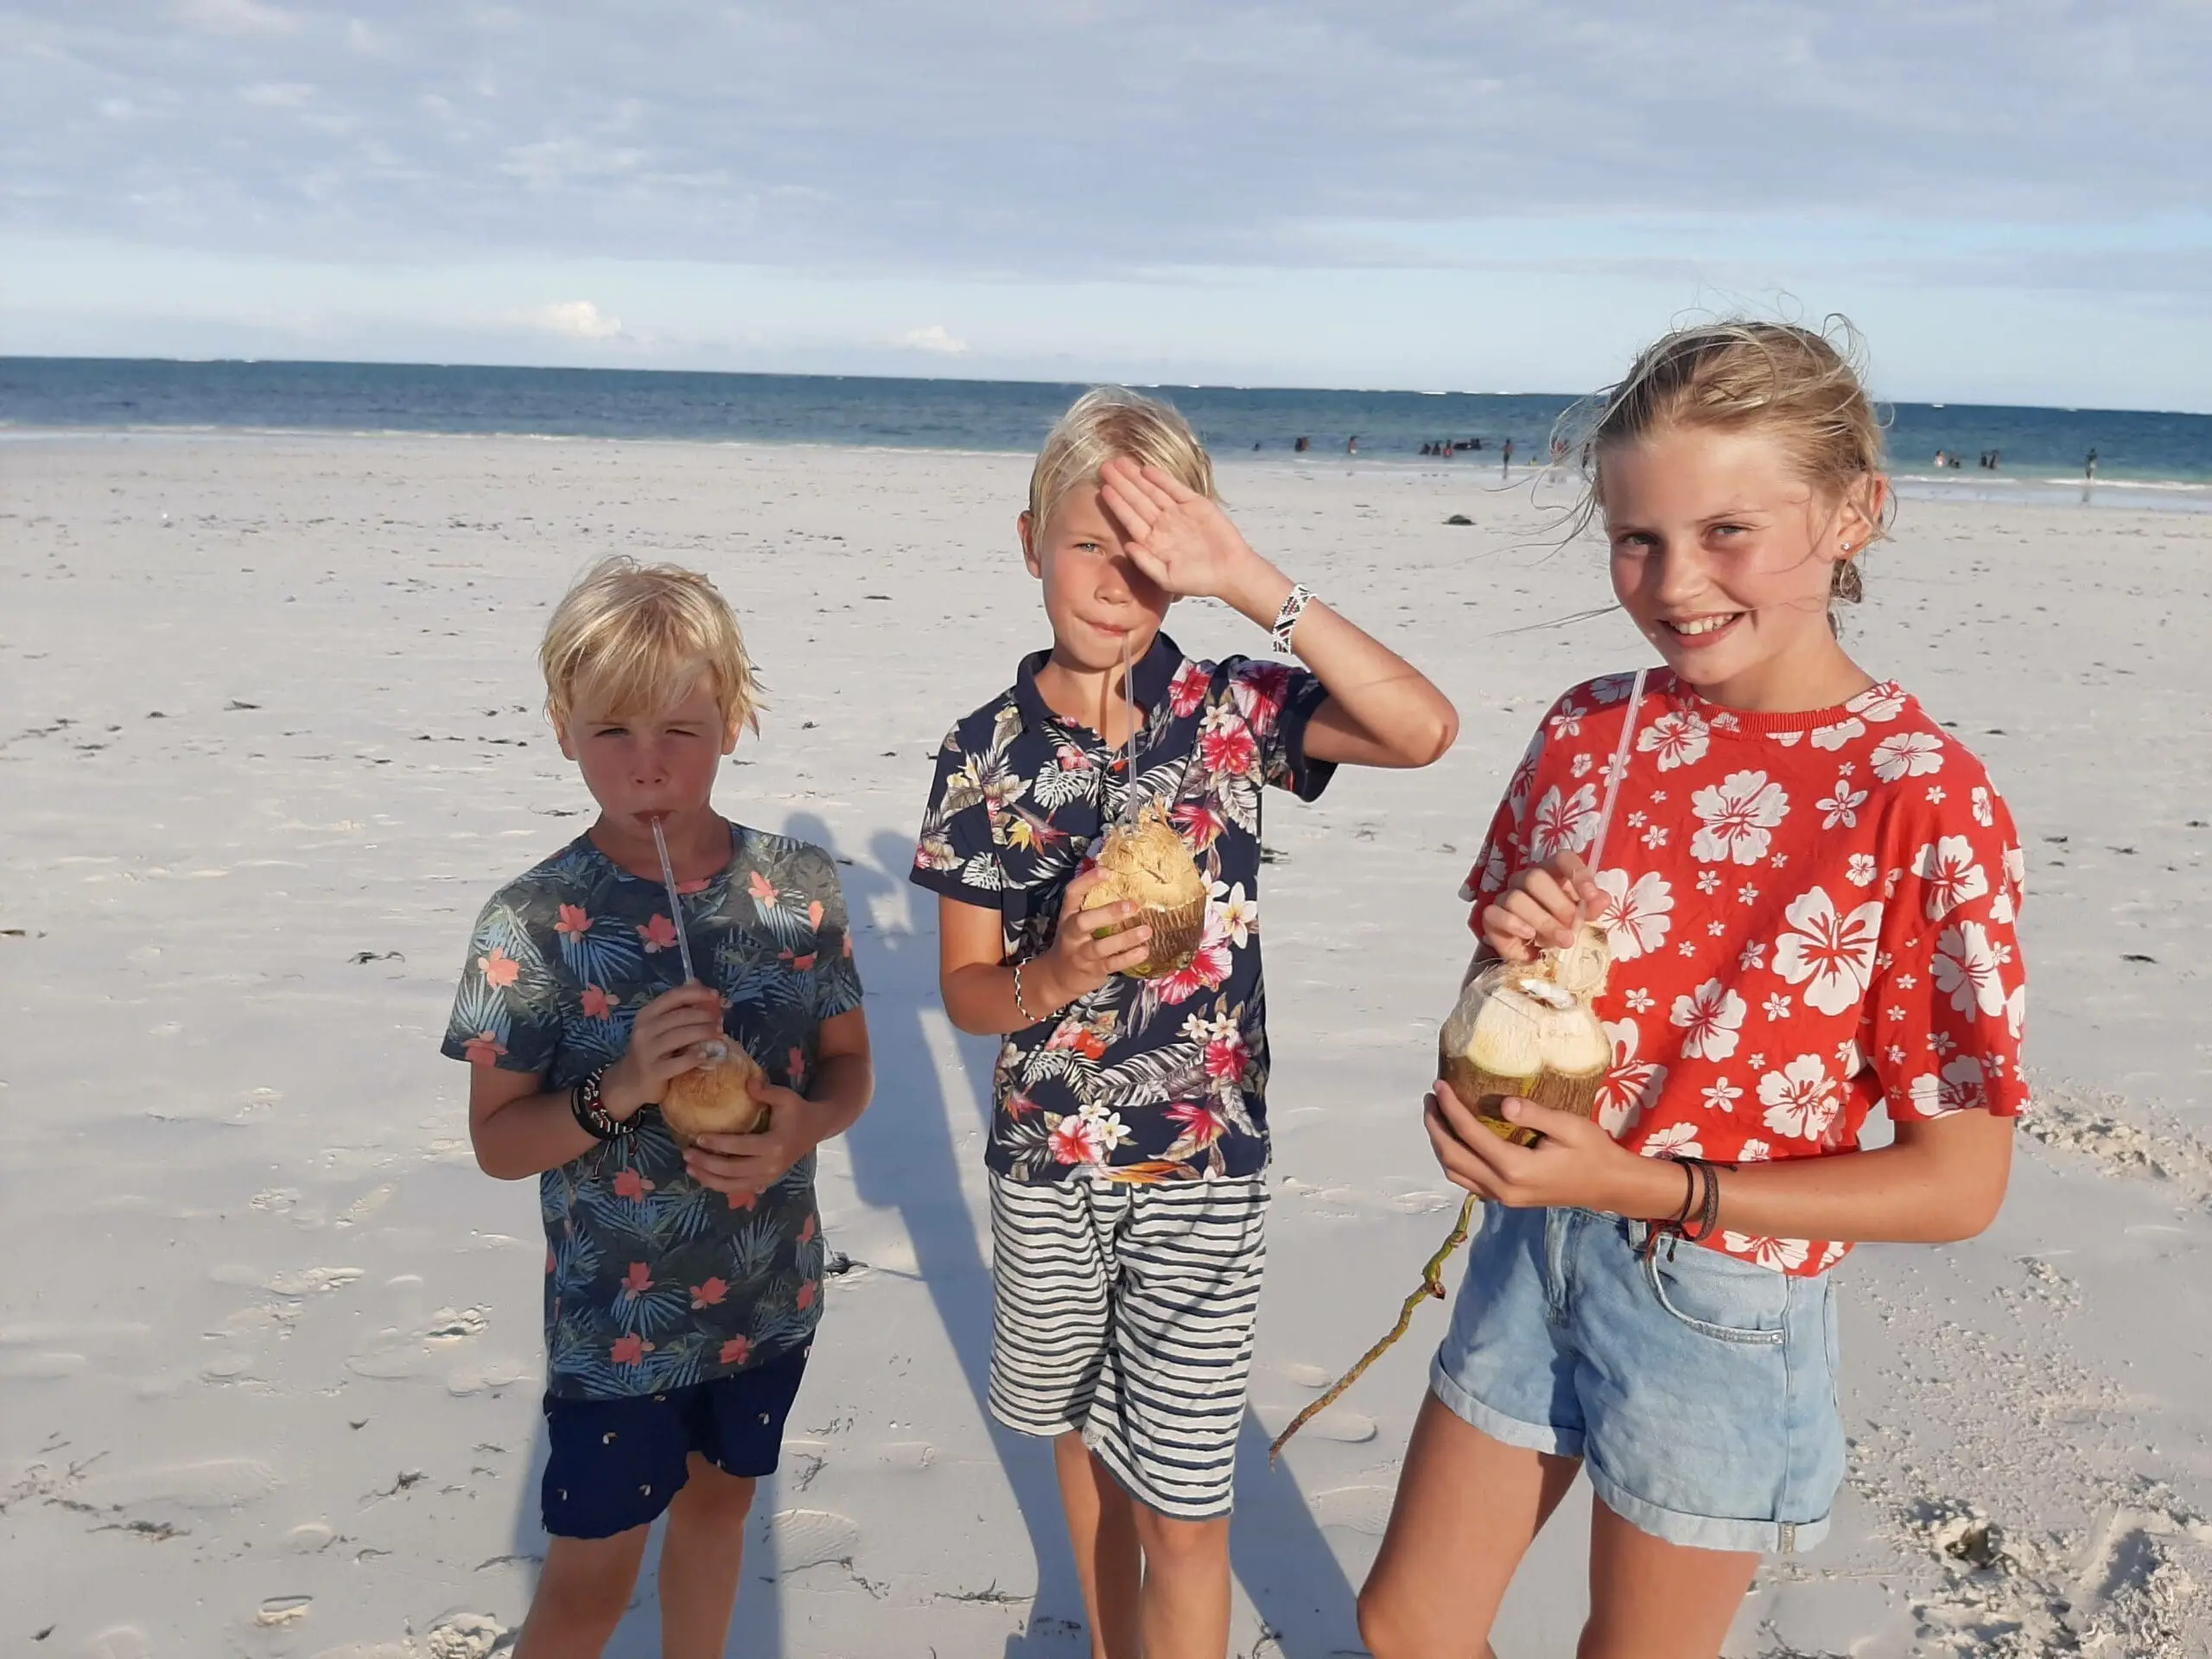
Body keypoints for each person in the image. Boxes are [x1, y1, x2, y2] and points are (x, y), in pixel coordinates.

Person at [1357, 321, 2028, 1659]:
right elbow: (1496, 1003)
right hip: (1533, 1244)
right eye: (1638, 539)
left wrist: (1647, 1185)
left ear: (1853, 514)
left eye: (1728, 532)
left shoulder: (1919, 797)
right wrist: (1509, 963)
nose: (1675, 584)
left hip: (1718, 1297)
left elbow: (1960, 1185)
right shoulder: (1591, 729)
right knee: (1407, 1625)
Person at [912, 387, 1457, 1659]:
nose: (1117, 583)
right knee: (1078, 1445)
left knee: (1188, 1510)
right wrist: (1055, 973)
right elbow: (968, 992)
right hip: (1047, 1166)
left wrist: (1248, 581)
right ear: (1029, 543)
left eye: (1153, 556)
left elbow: (1422, 728)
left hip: (1204, 1168)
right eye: (1087, 545)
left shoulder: (1230, 708)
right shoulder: (983, 754)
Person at [444, 557, 874, 1658]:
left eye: (680, 730)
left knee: (721, 1517)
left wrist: (799, 1125)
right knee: (590, 1583)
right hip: (617, 1330)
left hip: (770, 1297)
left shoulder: (800, 888)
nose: (647, 765)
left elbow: (847, 1070)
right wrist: (624, 1087)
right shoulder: (532, 921)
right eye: (612, 732)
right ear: (562, 730)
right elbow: (498, 1143)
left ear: (732, 721)